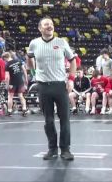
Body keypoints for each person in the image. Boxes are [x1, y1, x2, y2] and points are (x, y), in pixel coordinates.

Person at [27, 16, 76, 161]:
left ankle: (65, 150)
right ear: (40, 28)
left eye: (51, 24)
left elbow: (73, 61)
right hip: (43, 87)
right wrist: (33, 71)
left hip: (60, 86)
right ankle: (52, 149)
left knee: (64, 119)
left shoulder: (61, 42)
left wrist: (71, 80)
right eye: (46, 24)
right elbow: (29, 59)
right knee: (48, 120)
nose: (50, 26)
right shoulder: (34, 43)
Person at [2, 52, 28, 116]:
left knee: (10, 96)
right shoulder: (18, 61)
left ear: (5, 58)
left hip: (12, 83)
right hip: (20, 81)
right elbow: (24, 70)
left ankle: (9, 111)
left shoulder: (7, 65)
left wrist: (7, 85)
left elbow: (7, 77)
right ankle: (24, 109)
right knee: (21, 96)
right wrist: (26, 79)